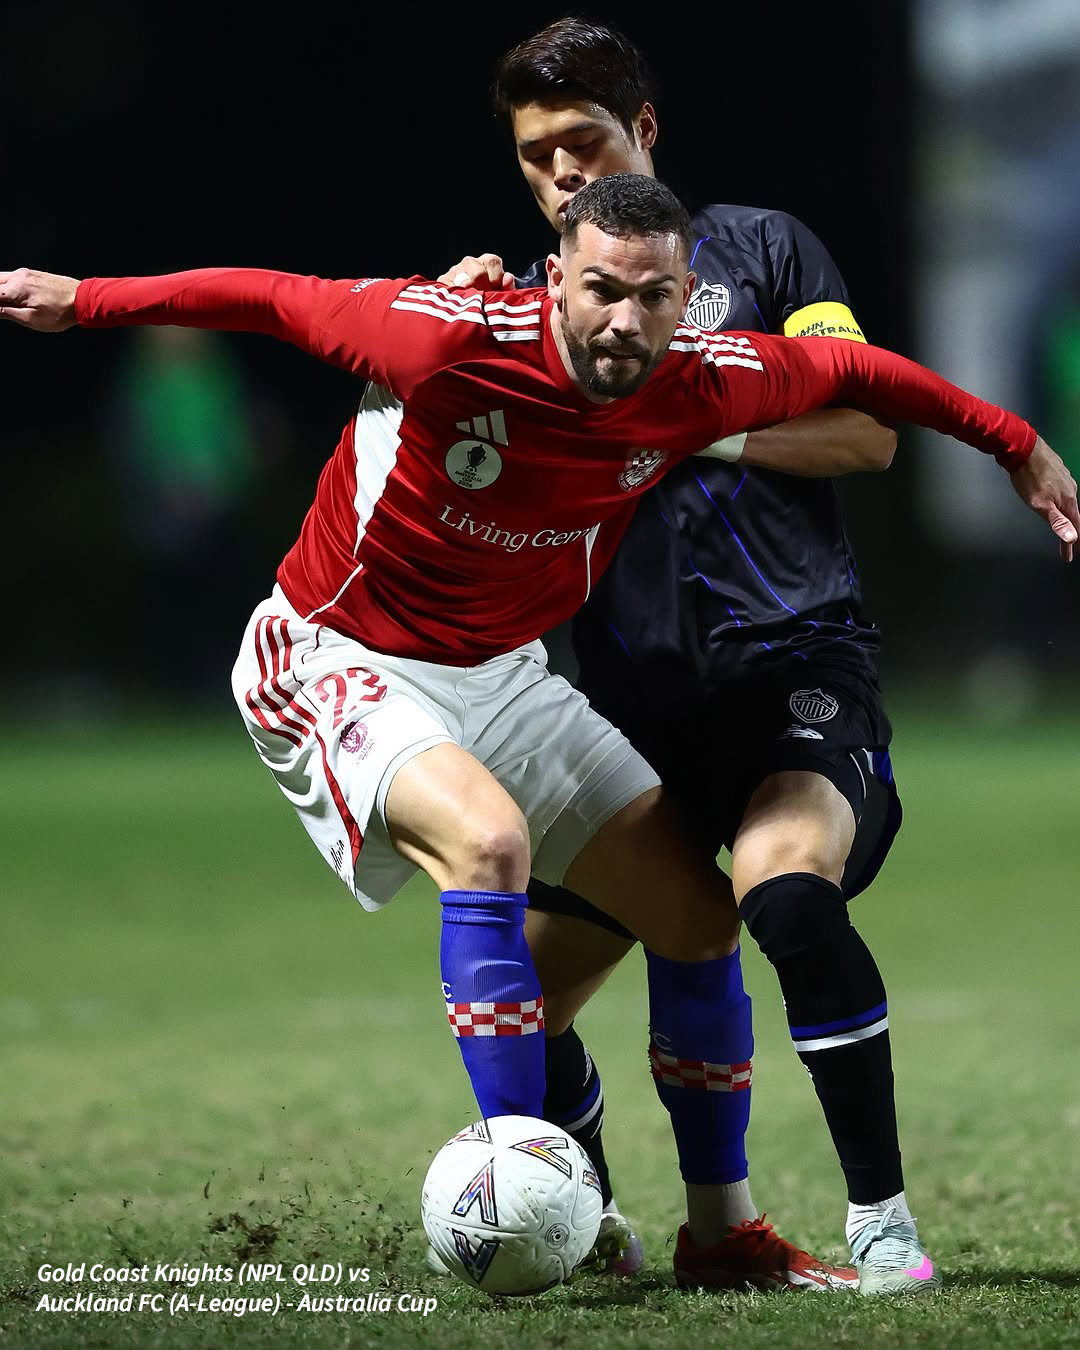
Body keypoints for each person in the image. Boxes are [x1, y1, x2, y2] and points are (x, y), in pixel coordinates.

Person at [2, 175, 1074, 1297]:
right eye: (600, 289)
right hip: (338, 654)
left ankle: (723, 1233)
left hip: (501, 677)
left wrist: (1013, 443)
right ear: (555, 278)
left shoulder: (703, 380)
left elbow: (860, 372)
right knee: (490, 845)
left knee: (698, 920)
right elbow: (267, 298)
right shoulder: (443, 339)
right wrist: (85, 300)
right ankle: (515, 1192)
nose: (622, 320)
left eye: (651, 297)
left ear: (683, 299)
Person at [434, 17, 1077, 1296]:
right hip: (629, 714)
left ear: (645, 134)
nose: (562, 173)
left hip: (794, 672)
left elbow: (865, 430)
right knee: (525, 1007)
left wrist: (694, 429)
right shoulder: (518, 310)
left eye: (584, 142)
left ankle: (883, 1223)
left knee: (782, 895)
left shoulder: (766, 251)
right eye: (536, 156)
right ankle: (593, 1213)